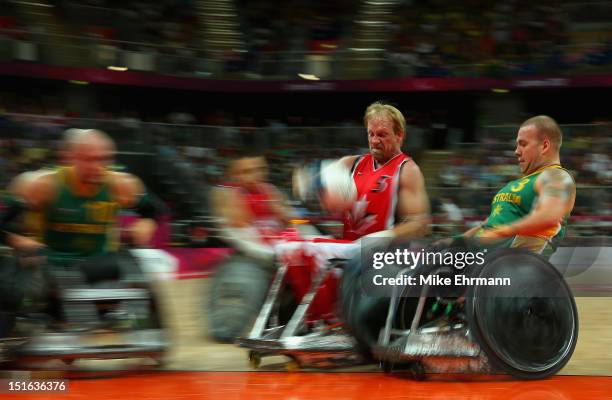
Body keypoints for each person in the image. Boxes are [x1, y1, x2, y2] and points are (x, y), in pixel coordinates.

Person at [454, 115, 576, 258]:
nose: (516, 151)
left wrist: (503, 231)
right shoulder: (520, 183)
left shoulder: (556, 176)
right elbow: (487, 225)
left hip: (507, 266)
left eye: (523, 144)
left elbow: (549, 216)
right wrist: (455, 241)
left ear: (544, 146)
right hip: (475, 260)